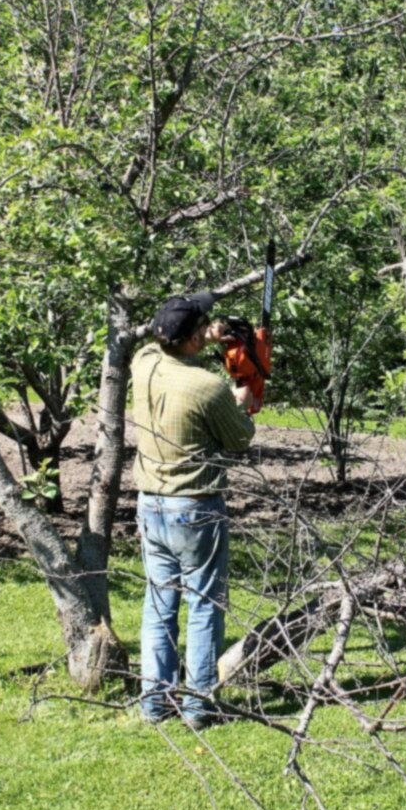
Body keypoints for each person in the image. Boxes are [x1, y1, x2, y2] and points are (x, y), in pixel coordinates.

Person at [132, 291, 256, 730]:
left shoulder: (144, 362)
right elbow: (240, 438)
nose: (210, 328)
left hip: (151, 506)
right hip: (196, 507)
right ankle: (199, 707)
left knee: (159, 605)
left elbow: (161, 340)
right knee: (204, 605)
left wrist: (211, 335)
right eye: (203, 325)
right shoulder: (208, 387)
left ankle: (154, 703)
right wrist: (242, 397)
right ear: (188, 339)